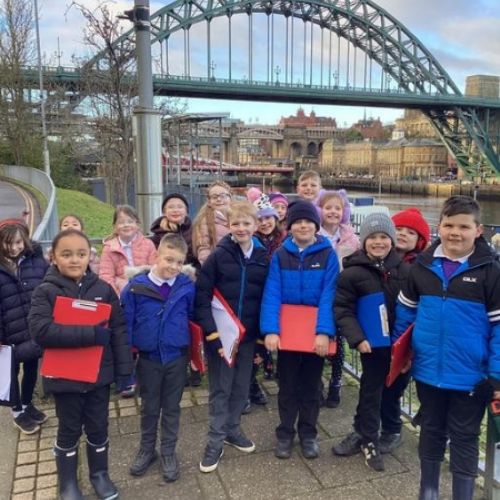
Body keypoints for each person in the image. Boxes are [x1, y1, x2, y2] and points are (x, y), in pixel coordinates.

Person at [393, 196, 500, 499]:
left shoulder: (491, 273)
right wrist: (400, 356)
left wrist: (496, 375)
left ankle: (462, 494)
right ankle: (428, 491)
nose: (455, 232)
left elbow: (498, 328)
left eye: (464, 226)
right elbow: (405, 315)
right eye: (449, 225)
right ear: (438, 226)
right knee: (431, 431)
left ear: (478, 230)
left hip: (471, 377)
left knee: (465, 438)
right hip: (427, 370)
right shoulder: (422, 268)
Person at [29, 229, 133, 500]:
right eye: (66, 254)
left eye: (81, 254)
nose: (74, 260)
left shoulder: (103, 289)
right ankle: (68, 484)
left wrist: (125, 371)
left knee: (99, 426)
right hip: (66, 379)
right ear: (53, 257)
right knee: (69, 429)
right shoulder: (46, 291)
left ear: (90, 256)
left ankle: (99, 475)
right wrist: (90, 334)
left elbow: (119, 331)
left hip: (99, 376)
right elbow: (41, 330)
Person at [195, 201, 269, 473]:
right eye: (235, 223)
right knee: (220, 389)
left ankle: (232, 429)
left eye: (246, 223)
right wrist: (211, 333)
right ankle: (214, 440)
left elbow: (265, 299)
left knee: (240, 387)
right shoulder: (218, 256)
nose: (241, 228)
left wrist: (261, 338)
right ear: (229, 225)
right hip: (221, 335)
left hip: (248, 336)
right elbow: (201, 296)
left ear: (256, 225)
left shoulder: (263, 257)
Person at [261, 200, 338, 460]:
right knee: (288, 386)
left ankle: (308, 433)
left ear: (315, 226)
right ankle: (285, 433)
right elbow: (272, 292)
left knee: (311, 386)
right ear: (289, 226)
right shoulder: (281, 255)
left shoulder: (328, 255)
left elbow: (330, 294)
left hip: (314, 333)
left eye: (308, 221)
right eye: (297, 222)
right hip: (289, 332)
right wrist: (271, 330)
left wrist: (324, 332)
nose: (303, 226)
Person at [332, 213, 409, 472]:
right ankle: (367, 436)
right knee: (370, 390)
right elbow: (343, 309)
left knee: (393, 390)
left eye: (384, 237)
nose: (378, 242)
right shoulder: (352, 273)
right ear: (363, 241)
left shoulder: (406, 271)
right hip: (371, 344)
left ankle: (388, 430)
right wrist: (358, 338)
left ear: (392, 240)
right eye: (372, 237)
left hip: (399, 344)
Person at [121, 234, 195, 483]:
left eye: (179, 262)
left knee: (172, 408)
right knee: (150, 407)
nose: (173, 266)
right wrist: (126, 366)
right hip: (149, 359)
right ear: (156, 256)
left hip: (176, 357)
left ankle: (168, 452)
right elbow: (126, 327)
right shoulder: (135, 288)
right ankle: (146, 449)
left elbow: (193, 319)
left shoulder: (185, 286)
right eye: (169, 259)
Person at [378, 207, 431, 453]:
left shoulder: (422, 268)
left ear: (420, 240)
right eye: (398, 229)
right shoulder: (378, 258)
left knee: (392, 388)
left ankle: (392, 430)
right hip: (379, 333)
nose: (403, 235)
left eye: (411, 232)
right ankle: (375, 427)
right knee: (378, 387)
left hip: (406, 340)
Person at [99, 205, 157, 398]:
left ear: (138, 224)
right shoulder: (109, 249)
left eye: (130, 221)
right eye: (121, 221)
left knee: (145, 338)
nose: (126, 225)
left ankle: (147, 378)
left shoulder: (148, 245)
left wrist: (126, 281)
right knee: (124, 340)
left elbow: (154, 270)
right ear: (115, 226)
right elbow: (106, 277)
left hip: (145, 299)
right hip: (122, 302)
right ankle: (126, 379)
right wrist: (121, 293)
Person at [0, 219, 48, 434]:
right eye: (9, 243)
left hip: (31, 328)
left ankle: (28, 404)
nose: (14, 247)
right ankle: (17, 411)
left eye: (19, 242)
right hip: (7, 333)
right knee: (11, 374)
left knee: (31, 370)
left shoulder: (35, 262)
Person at [318, 190, 360, 409]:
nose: (333, 212)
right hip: (317, 296)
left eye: (337, 208)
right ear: (320, 211)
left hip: (342, 296)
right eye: (328, 208)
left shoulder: (352, 238)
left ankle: (335, 383)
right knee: (317, 338)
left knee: (339, 341)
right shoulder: (313, 234)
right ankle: (315, 383)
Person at [192, 181, 232, 266]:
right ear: (209, 201)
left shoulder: (238, 217)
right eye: (214, 197)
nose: (219, 199)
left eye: (223, 196)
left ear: (230, 198)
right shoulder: (205, 221)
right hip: (219, 268)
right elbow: (204, 249)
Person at [149, 193, 196, 266]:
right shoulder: (156, 237)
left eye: (180, 207)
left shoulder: (196, 232)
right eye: (171, 207)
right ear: (164, 212)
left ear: (186, 211)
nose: (175, 210)